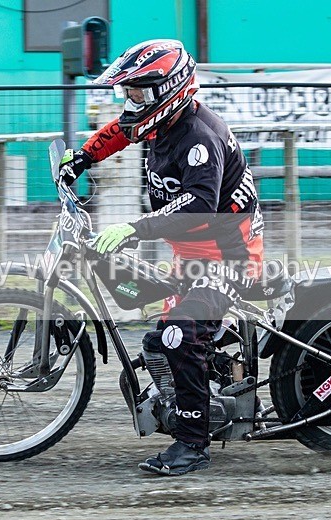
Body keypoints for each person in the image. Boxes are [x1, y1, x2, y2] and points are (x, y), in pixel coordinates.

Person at [59, 39, 264, 476]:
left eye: (138, 92)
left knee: (177, 335)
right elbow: (121, 130)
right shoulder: (160, 122)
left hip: (230, 256)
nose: (131, 101)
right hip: (191, 253)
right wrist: (83, 156)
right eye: (129, 92)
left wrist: (135, 228)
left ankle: (192, 444)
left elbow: (199, 205)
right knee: (158, 345)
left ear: (168, 90)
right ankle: (227, 382)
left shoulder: (199, 137)